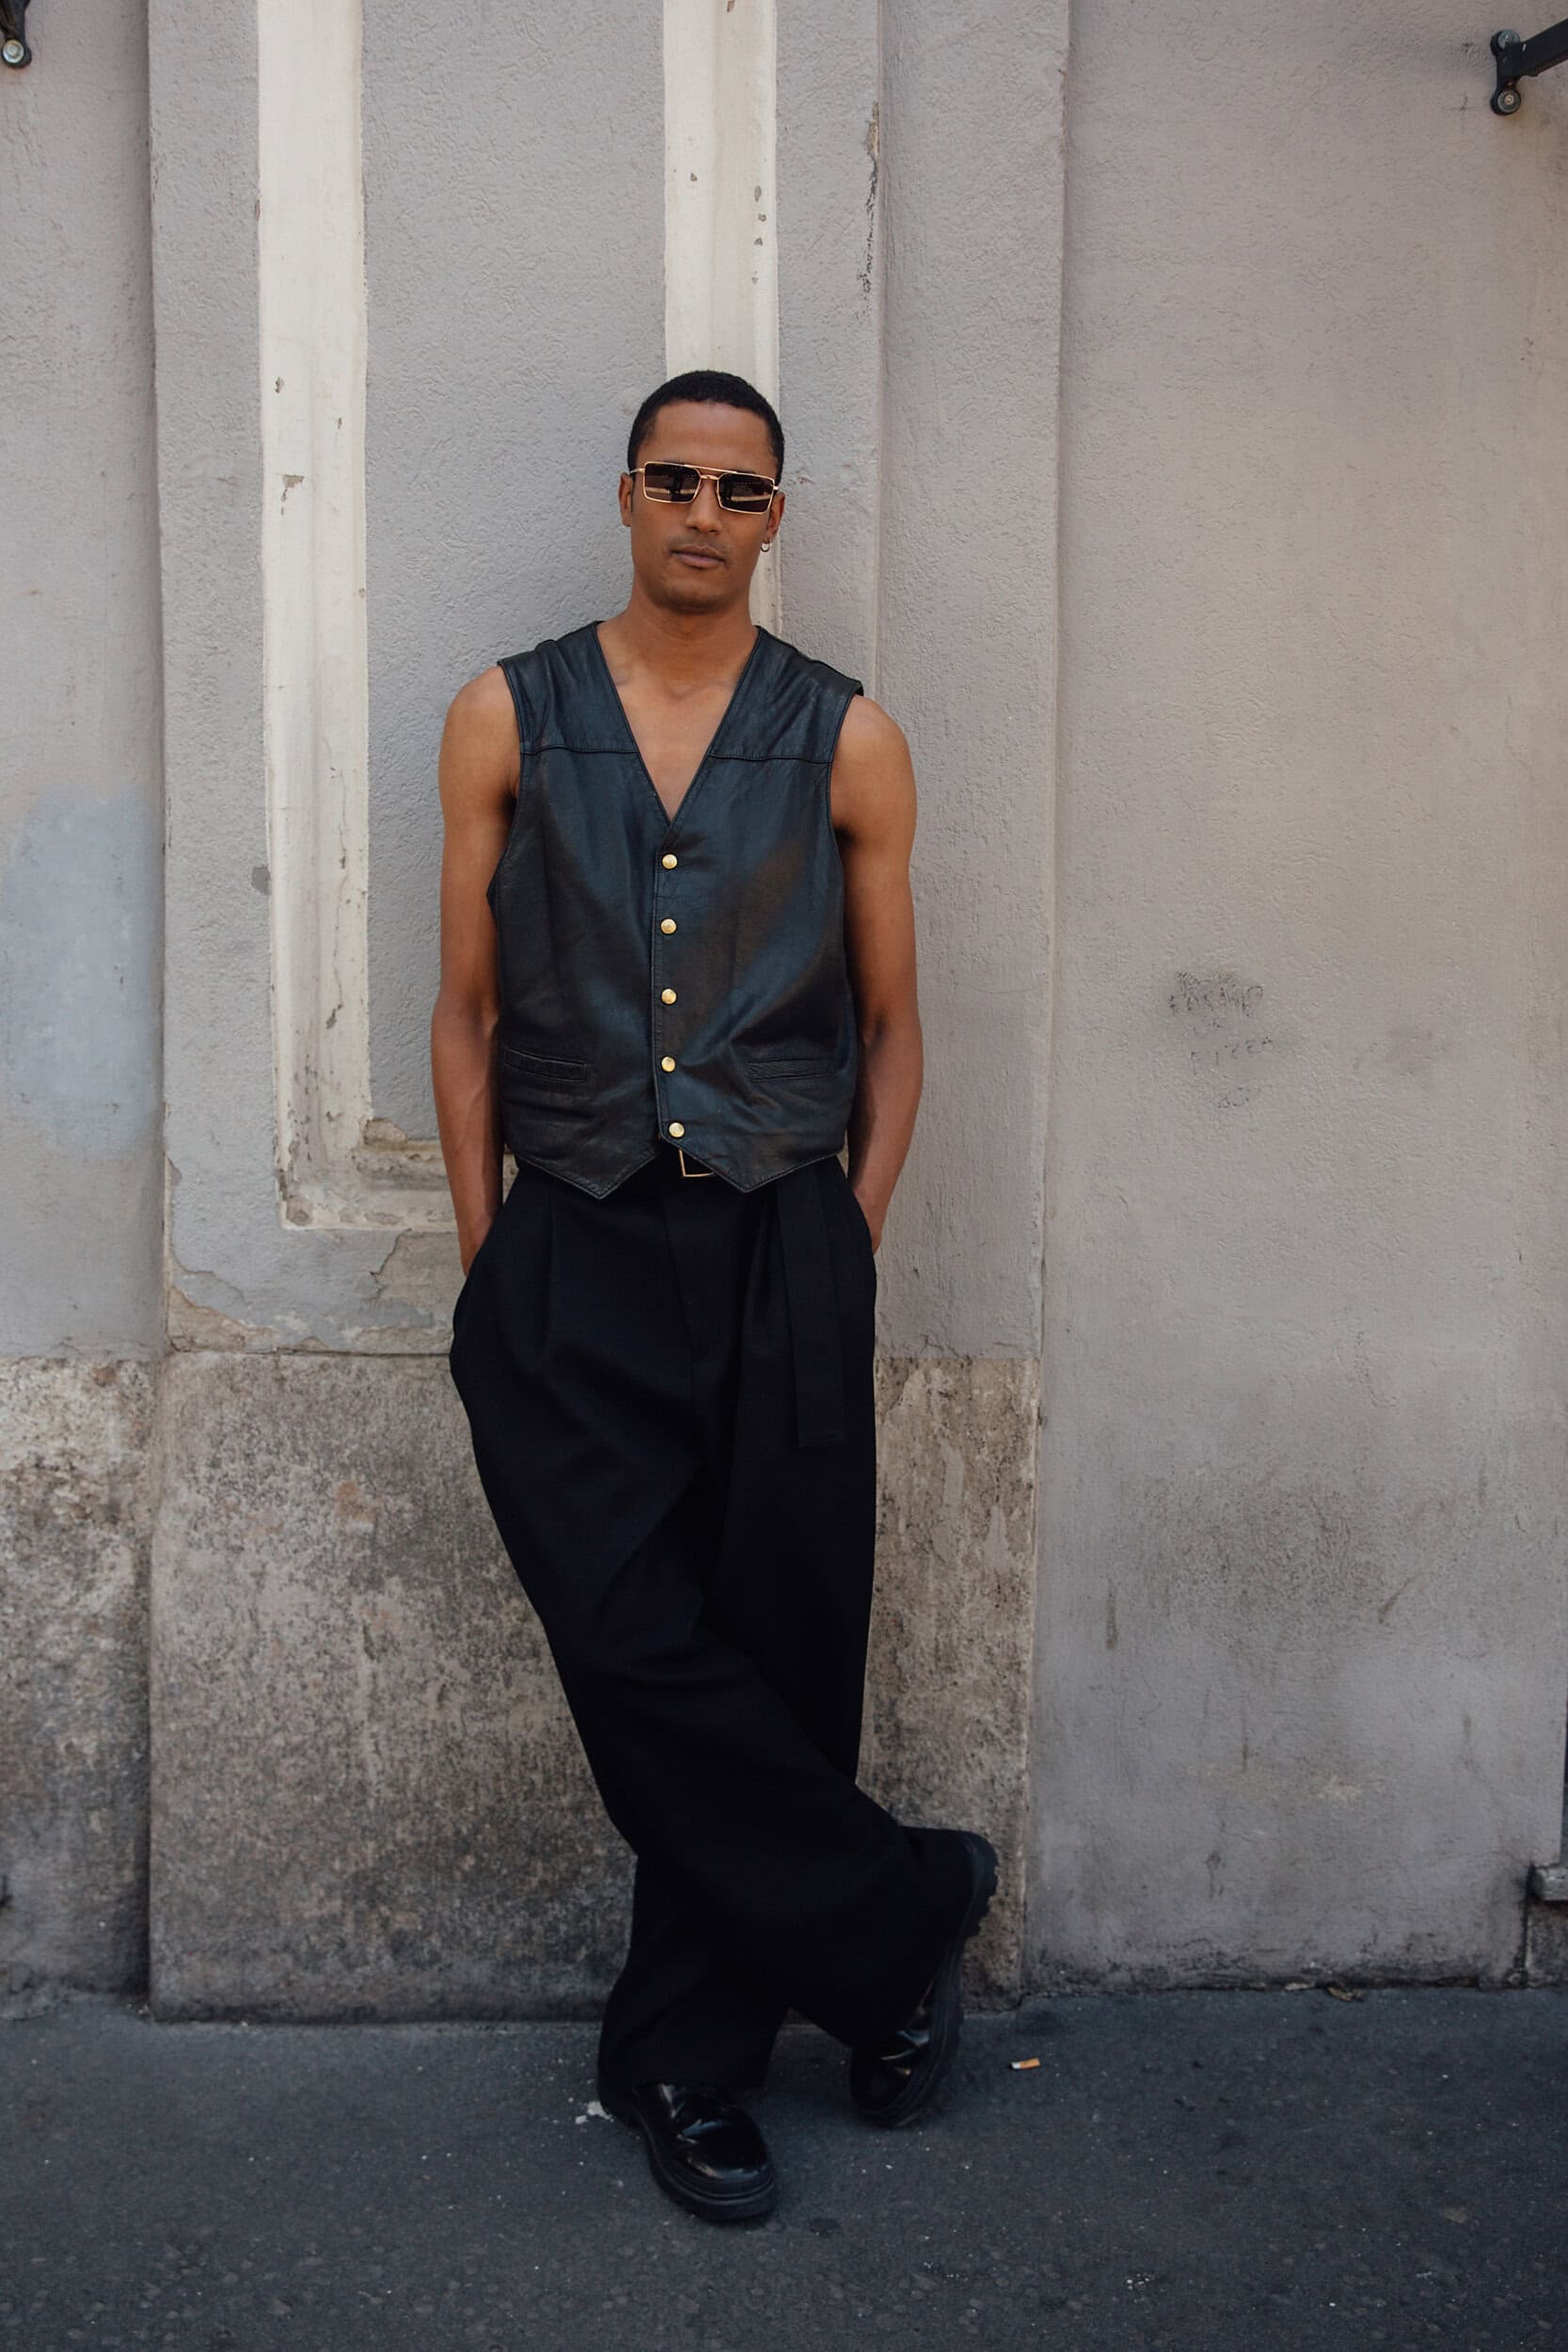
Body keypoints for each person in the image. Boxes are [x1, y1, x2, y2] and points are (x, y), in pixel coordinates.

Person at [431, 367, 996, 2224]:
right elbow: (466, 1011)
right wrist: (489, 1255)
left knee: (775, 1645)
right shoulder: (509, 713)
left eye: (737, 490)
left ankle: (690, 2059)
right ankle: (897, 1917)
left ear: (774, 517)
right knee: (630, 1643)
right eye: (673, 479)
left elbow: (897, 1028)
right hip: (572, 1245)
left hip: (781, 1242)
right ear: (625, 495)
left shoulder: (848, 738)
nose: (702, 512)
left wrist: (848, 1239)